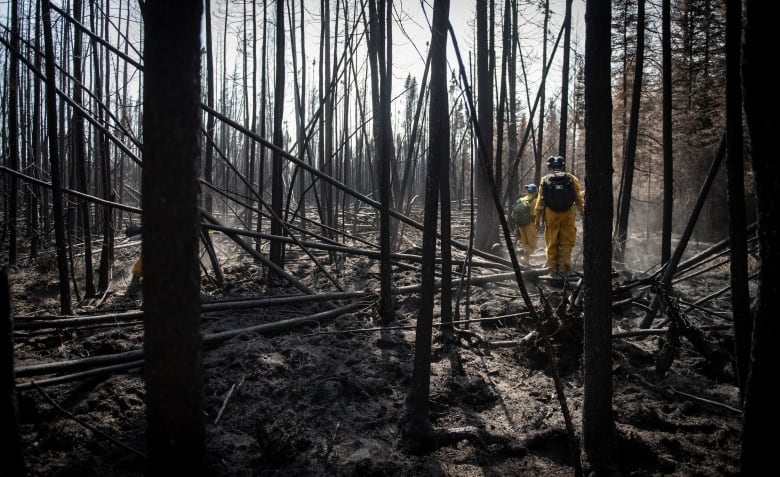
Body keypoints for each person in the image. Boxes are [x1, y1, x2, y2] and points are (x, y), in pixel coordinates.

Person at [534, 155, 584, 275]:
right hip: (568, 214)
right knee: (566, 243)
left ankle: (551, 270)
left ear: (550, 167)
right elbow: (578, 198)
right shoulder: (572, 179)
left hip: (551, 215)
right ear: (562, 166)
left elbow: (540, 201)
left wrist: (537, 219)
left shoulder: (545, 179)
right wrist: (583, 213)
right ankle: (564, 270)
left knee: (551, 243)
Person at [516, 183, 539, 265]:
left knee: (525, 243)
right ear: (535, 192)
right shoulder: (535, 201)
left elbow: (513, 214)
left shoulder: (520, 200)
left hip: (520, 225)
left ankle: (525, 261)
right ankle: (523, 253)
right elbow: (535, 214)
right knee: (532, 246)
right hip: (530, 225)